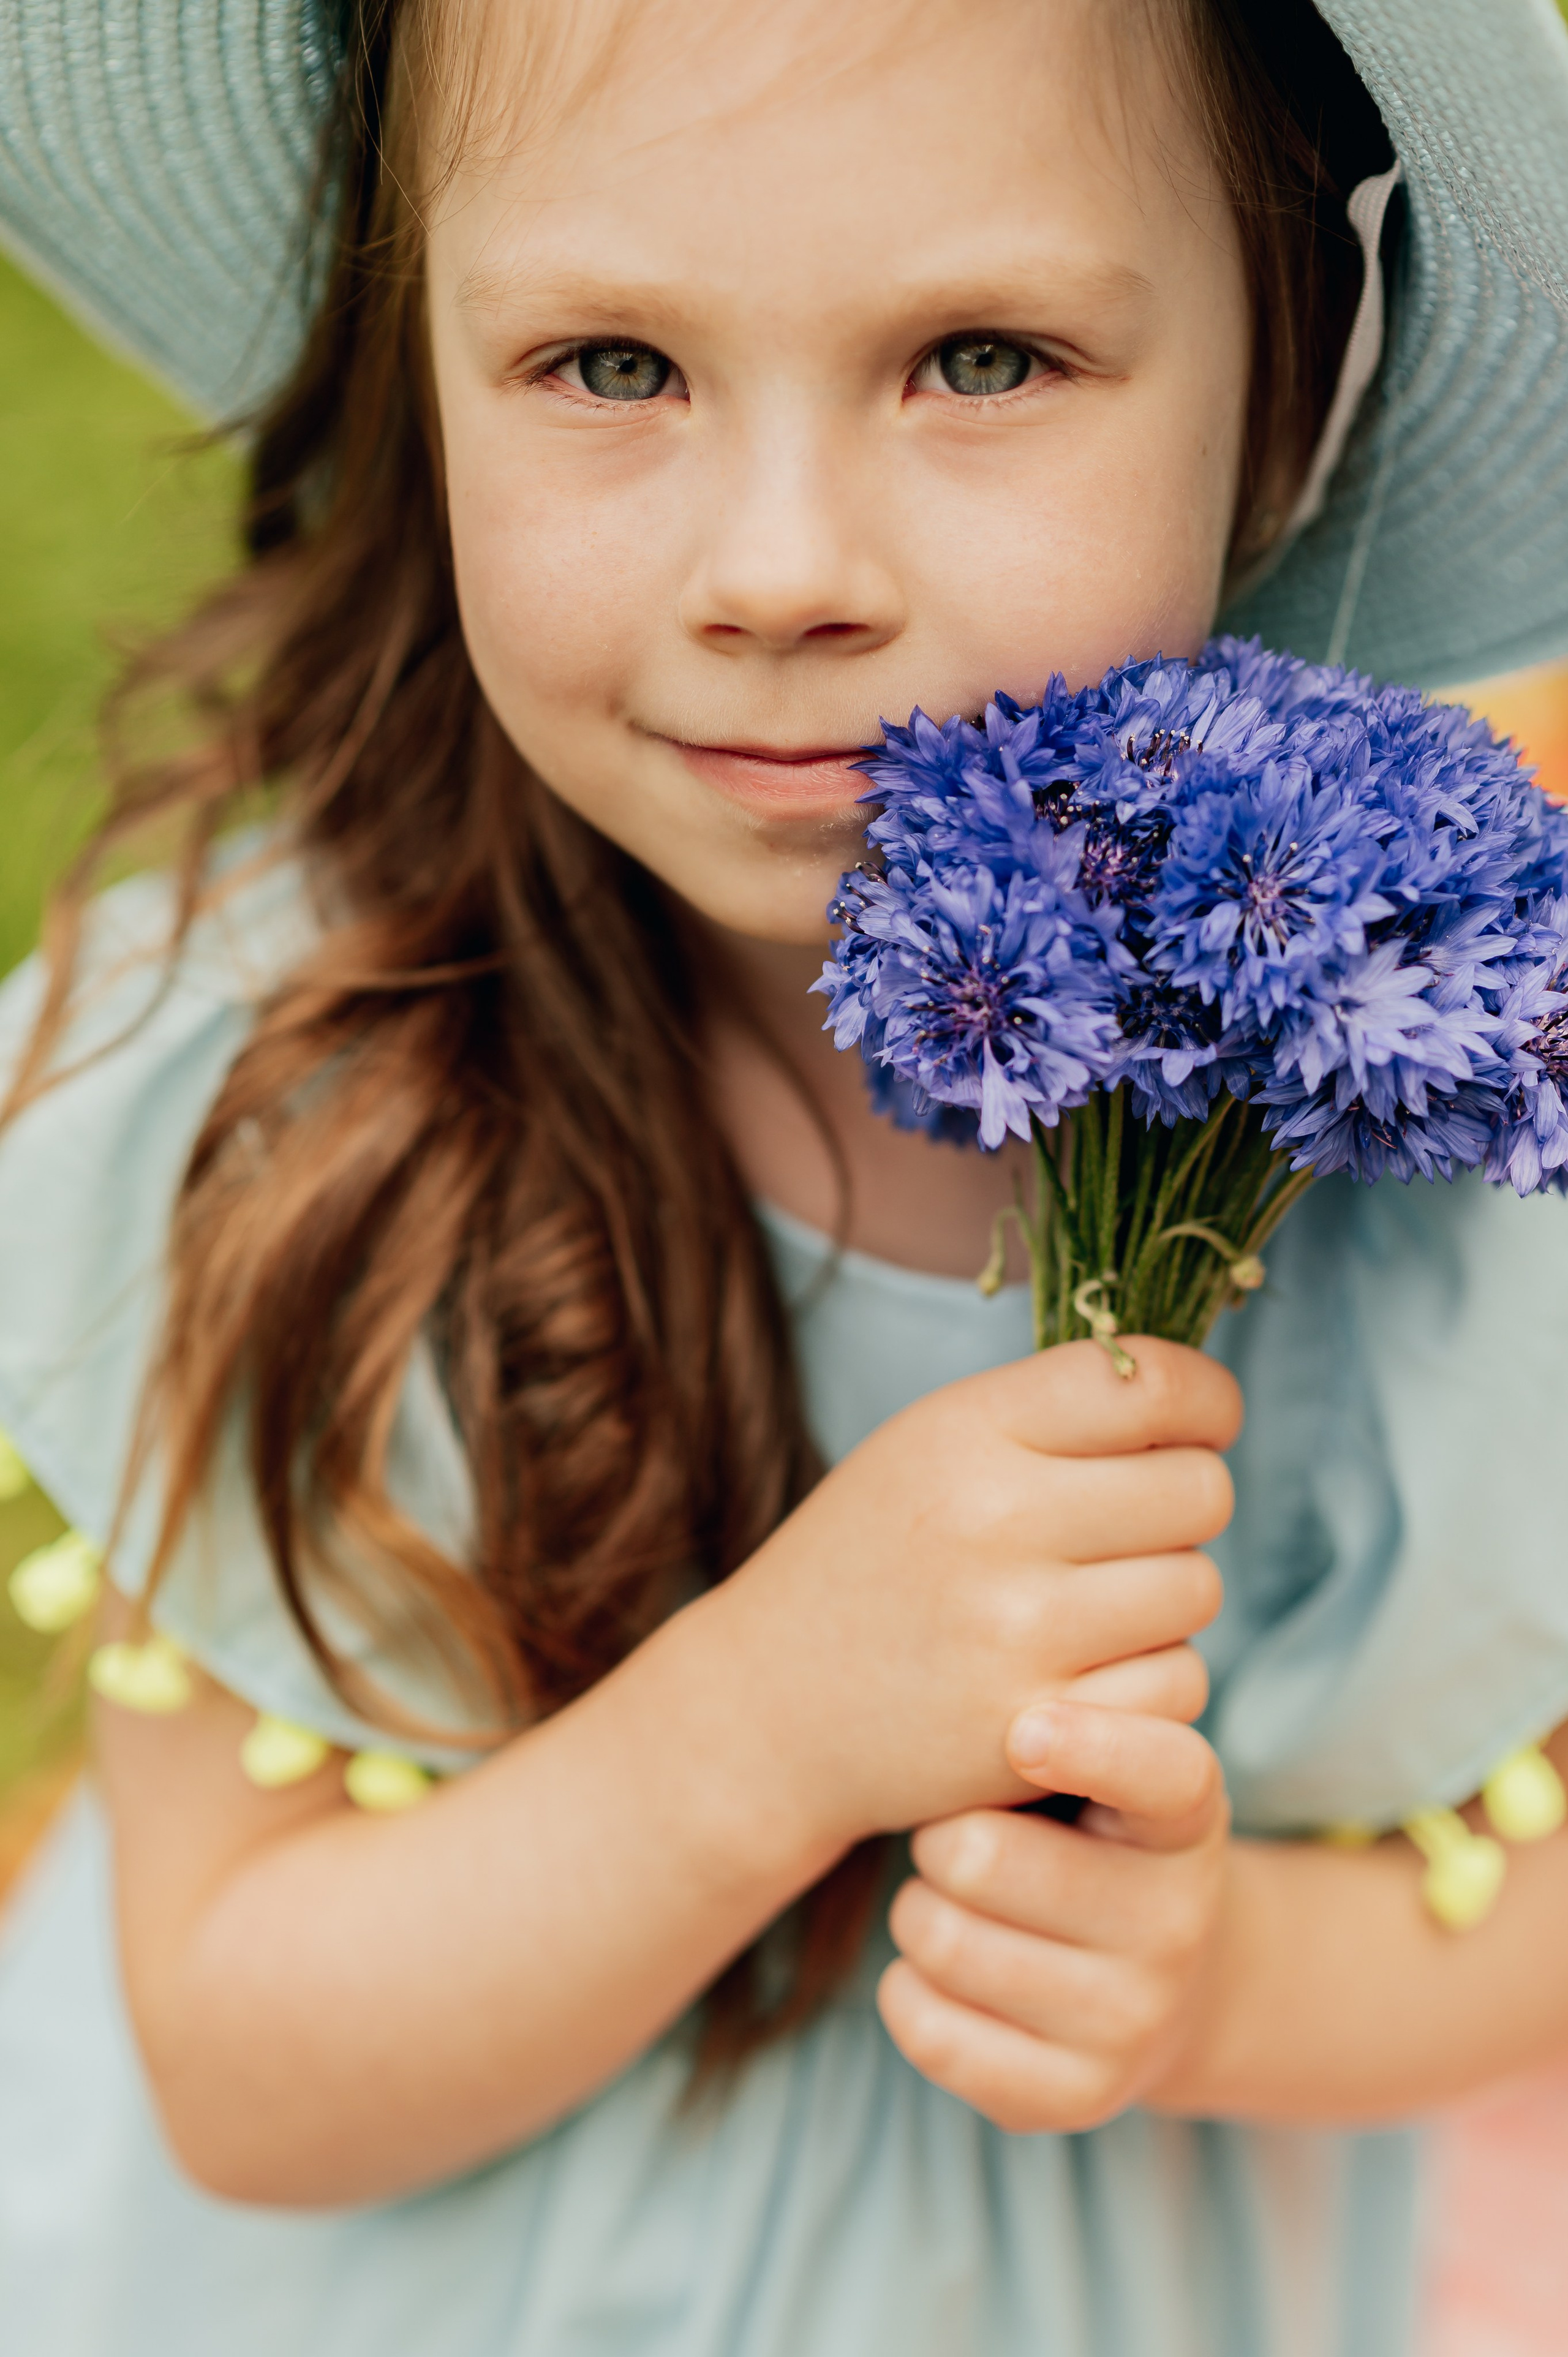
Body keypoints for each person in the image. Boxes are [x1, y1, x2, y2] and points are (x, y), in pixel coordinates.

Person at [2, 0, 1568, 2350]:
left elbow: (1518, 1904)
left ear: (1290, 396)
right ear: (414, 361)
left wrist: (1222, 1979)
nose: (781, 567)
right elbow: (247, 2065)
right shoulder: (299, 1093)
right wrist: (764, 1726)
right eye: (613, 364)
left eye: (982, 356)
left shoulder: (1428, 1093)